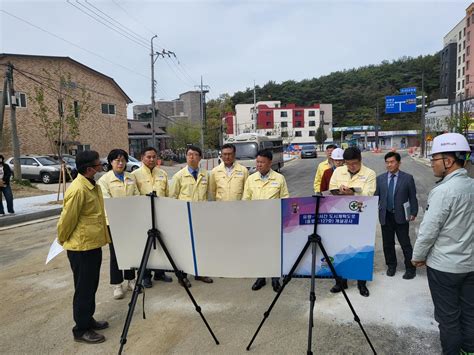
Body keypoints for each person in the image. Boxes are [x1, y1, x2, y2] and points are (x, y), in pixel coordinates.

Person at [412, 133, 474, 355]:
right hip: (470, 266)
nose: (431, 164)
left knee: (448, 318)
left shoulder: (442, 192)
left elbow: (429, 231)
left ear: (448, 161)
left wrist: (417, 256)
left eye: (434, 159)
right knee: (469, 312)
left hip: (445, 268)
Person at [57, 150, 111, 344]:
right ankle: (81, 330)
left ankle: (88, 319)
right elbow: (67, 220)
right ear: (89, 169)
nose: (100, 167)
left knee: (90, 286)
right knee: (84, 289)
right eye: (98, 165)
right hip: (81, 248)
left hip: (92, 245)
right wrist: (62, 239)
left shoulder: (91, 185)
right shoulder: (78, 189)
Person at [328, 146, 376, 297]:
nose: (351, 166)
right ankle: (341, 282)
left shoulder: (369, 173)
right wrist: (339, 191)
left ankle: (362, 283)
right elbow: (331, 190)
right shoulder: (338, 171)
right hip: (341, 217)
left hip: (362, 218)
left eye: (354, 163)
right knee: (340, 249)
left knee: (361, 249)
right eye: (348, 163)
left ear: (360, 160)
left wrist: (353, 192)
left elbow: (369, 193)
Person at [243, 149, 290, 292]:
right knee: (259, 250)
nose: (259, 165)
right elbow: (246, 200)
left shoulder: (279, 178)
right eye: (257, 162)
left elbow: (285, 199)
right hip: (257, 222)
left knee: (274, 250)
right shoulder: (251, 179)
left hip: (274, 221)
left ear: (270, 163)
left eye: (262, 162)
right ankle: (261, 278)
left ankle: (276, 279)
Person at [98, 149, 140, 300]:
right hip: (114, 222)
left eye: (123, 160)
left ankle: (131, 280)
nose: (120, 163)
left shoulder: (130, 177)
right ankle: (117, 285)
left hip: (130, 221)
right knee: (116, 254)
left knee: (130, 251)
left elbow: (136, 196)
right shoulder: (104, 180)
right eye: (117, 160)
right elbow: (107, 201)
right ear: (111, 162)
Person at [169, 145, 213, 287]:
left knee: (201, 246)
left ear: (200, 157)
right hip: (184, 217)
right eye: (189, 154)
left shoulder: (206, 175)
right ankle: (182, 276)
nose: (192, 157)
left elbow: (209, 196)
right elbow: (172, 197)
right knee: (184, 248)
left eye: (195, 154)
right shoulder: (179, 176)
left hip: (201, 217)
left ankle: (200, 273)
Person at [132, 147, 172, 288]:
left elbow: (167, 194)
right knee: (145, 246)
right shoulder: (135, 175)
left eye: (154, 157)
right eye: (148, 157)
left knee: (161, 245)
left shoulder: (162, 174)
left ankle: (160, 273)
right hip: (144, 216)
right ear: (142, 157)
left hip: (161, 215)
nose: (151, 159)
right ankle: (145, 275)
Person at [375, 152, 418, 280]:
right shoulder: (380, 179)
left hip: (401, 216)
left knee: (405, 243)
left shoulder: (407, 178)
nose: (389, 164)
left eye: (392, 162)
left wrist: (413, 212)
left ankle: (410, 268)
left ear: (399, 163)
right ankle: (391, 266)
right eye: (387, 162)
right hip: (385, 215)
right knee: (387, 243)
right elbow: (376, 197)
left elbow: (412, 197)